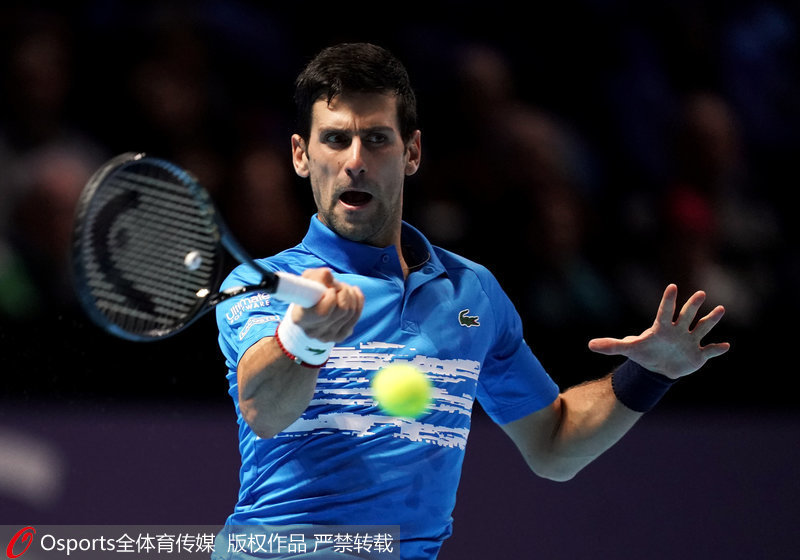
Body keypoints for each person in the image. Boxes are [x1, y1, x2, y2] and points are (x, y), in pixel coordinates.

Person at [212, 43, 729, 560]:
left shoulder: (472, 291)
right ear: (301, 155)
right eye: (335, 139)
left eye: (377, 139)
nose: (355, 162)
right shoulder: (264, 284)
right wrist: (303, 335)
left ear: (412, 152)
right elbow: (263, 411)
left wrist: (650, 374)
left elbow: (553, 443)